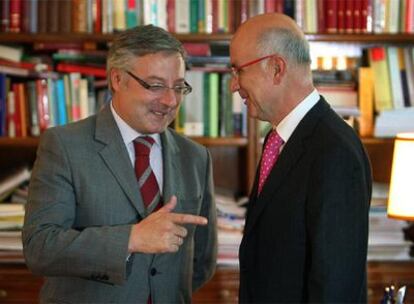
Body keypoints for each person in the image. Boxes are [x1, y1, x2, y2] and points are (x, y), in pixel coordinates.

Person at [23, 25, 217, 303]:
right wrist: (131, 239)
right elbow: (39, 248)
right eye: (155, 85)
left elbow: (201, 260)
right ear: (117, 79)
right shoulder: (64, 145)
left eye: (178, 87)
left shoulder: (196, 156)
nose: (170, 101)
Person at [230, 13, 372, 303]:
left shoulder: (334, 151)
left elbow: (335, 285)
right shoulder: (277, 138)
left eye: (238, 71)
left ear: (276, 68)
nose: (233, 85)